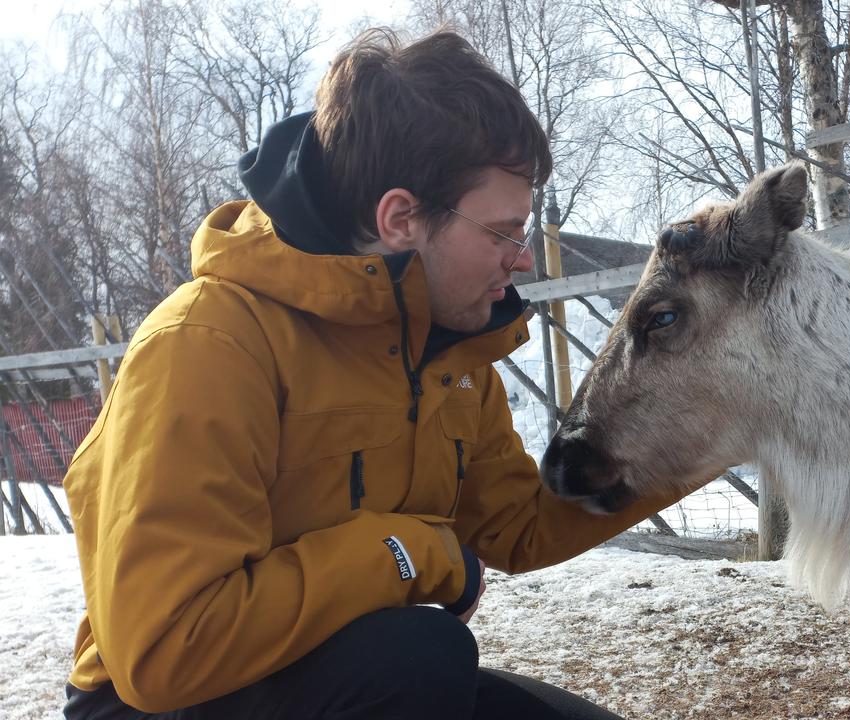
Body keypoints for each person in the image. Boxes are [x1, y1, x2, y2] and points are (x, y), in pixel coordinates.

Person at [62, 28, 685, 720]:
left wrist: (701, 432)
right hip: (158, 700)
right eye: (505, 233)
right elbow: (166, 649)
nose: (524, 261)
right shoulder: (208, 344)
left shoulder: (449, 350)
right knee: (420, 658)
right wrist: (411, 551)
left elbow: (517, 524)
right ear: (400, 218)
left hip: (334, 667)